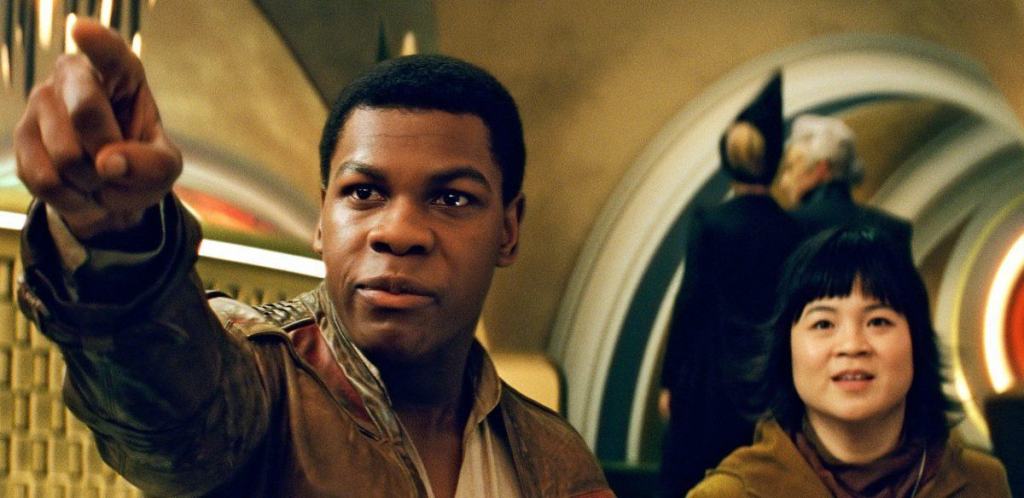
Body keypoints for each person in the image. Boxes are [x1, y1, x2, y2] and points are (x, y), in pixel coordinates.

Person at [14, 20, 613, 497]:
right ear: (323, 221)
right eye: (364, 192)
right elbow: (170, 409)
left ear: (508, 229)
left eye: (452, 198)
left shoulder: (554, 457)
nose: (398, 232)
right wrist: (119, 240)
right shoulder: (263, 383)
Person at [687, 226, 1012, 497]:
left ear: (917, 342)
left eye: (878, 321)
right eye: (823, 324)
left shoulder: (983, 483)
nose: (852, 346)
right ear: (786, 349)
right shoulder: (728, 493)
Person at [658, 72, 802, 496]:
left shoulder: (711, 222)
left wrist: (670, 380)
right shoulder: (792, 231)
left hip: (709, 380)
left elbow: (690, 304)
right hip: (769, 382)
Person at [778, 114, 912, 251]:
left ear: (821, 169)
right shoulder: (894, 228)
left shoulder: (789, 226)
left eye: (790, 168)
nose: (783, 182)